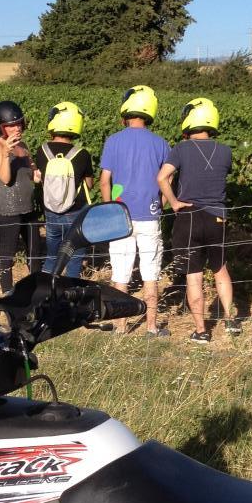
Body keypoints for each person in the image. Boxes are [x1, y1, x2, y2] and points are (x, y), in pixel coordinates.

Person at [158, 97, 241, 343]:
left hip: (189, 217)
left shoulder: (181, 149)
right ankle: (229, 320)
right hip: (218, 217)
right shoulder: (225, 150)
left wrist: (173, 202)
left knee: (194, 275)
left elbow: (163, 178)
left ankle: (201, 331)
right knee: (220, 269)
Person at [99, 86, 171, 337]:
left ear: (126, 110)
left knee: (121, 273)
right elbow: (167, 180)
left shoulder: (113, 141)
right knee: (151, 273)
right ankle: (151, 327)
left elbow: (104, 180)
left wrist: (110, 210)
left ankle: (120, 327)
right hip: (150, 216)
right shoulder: (161, 143)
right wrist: (159, 204)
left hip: (121, 217)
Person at [34, 102, 94, 279]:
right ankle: (71, 294)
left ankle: (45, 290)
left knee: (52, 255)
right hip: (76, 211)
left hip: (51, 211)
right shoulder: (82, 154)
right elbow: (89, 185)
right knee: (75, 256)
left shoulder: (42, 151)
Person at [0, 99, 40, 293]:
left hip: (28, 206)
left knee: (34, 252)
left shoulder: (24, 146)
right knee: (7, 254)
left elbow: (34, 176)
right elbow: (5, 179)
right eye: (11, 125)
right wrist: (7, 154)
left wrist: (42, 173)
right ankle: (7, 293)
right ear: (1, 128)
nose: (17, 128)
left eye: (19, 123)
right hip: (8, 210)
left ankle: (36, 287)